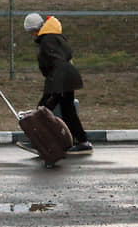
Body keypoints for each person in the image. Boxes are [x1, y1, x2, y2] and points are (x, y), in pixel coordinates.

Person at [24, 12, 93, 154]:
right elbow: (67, 54)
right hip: (67, 76)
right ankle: (83, 141)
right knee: (68, 111)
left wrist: (55, 85)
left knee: (42, 110)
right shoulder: (55, 37)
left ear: (35, 30)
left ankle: (40, 142)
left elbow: (52, 63)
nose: (32, 36)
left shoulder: (46, 41)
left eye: (31, 32)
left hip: (59, 79)